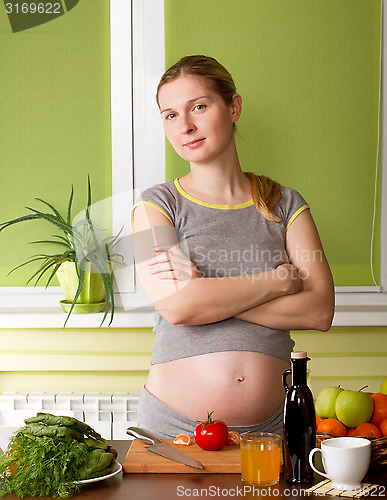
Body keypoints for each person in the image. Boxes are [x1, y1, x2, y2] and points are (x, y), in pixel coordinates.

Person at [131, 55, 334, 439]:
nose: (185, 125)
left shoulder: (287, 205)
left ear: (233, 107)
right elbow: (178, 305)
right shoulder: (150, 207)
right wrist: (277, 280)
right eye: (170, 115)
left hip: (272, 431)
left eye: (199, 107)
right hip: (172, 430)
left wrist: (207, 290)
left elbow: (320, 311)